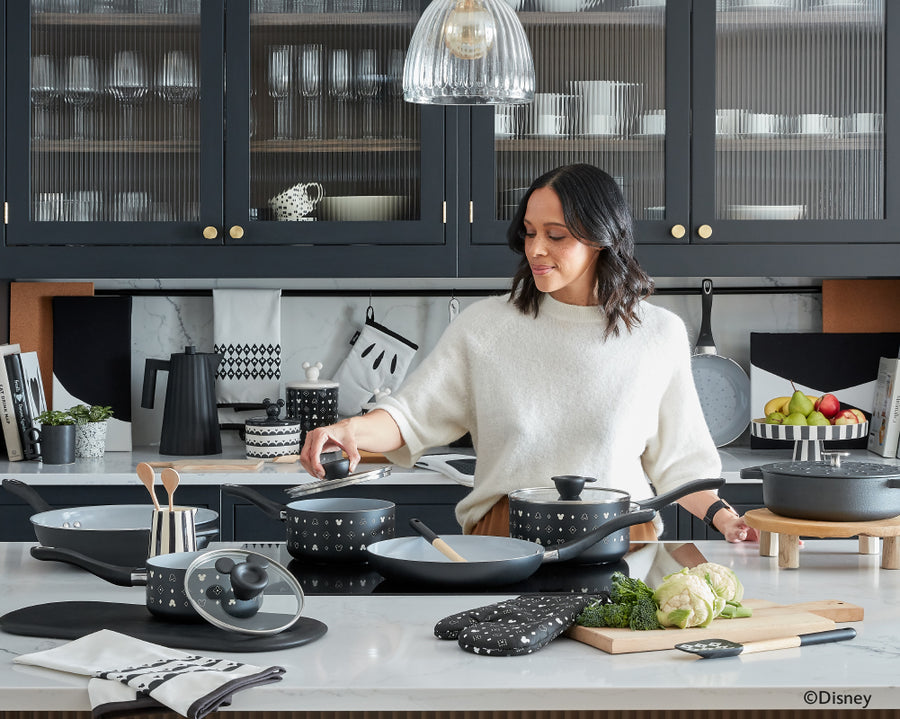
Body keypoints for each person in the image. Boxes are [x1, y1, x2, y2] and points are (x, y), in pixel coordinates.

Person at [300, 163, 758, 544]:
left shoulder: (658, 333)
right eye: (529, 232)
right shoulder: (486, 327)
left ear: (602, 237)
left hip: (622, 539)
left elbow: (682, 461)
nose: (535, 249)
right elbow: (409, 418)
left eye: (555, 235)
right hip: (505, 538)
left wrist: (725, 518)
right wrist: (349, 429)